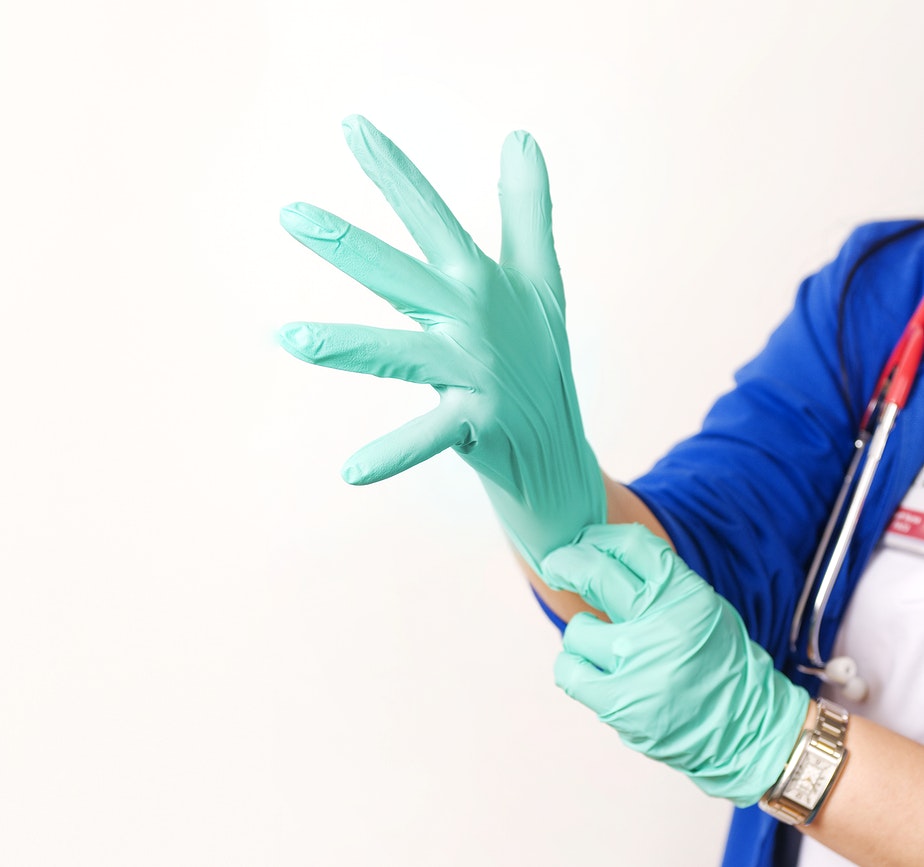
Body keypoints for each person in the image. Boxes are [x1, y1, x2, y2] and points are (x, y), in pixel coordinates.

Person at [277, 115, 924, 867]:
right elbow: (701, 571)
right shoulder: (889, 294)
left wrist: (788, 752)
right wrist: (560, 498)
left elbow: (741, 706)